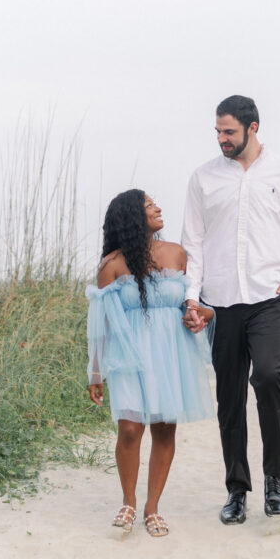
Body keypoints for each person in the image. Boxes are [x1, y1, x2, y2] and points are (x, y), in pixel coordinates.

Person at [181, 95, 280, 525]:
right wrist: (193, 297)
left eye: (229, 132)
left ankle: (274, 479)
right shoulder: (203, 178)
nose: (222, 139)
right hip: (221, 304)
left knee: (266, 376)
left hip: (270, 297)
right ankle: (236, 490)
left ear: (253, 127)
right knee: (229, 399)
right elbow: (194, 243)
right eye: (218, 132)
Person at [86, 189, 215, 538]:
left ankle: (151, 507)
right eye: (148, 205)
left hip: (172, 353)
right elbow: (101, 325)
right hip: (129, 356)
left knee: (164, 428)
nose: (158, 207)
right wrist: (95, 372)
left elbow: (199, 303)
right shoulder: (112, 265)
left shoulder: (177, 253)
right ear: (131, 216)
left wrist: (203, 313)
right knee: (129, 429)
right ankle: (128, 500)